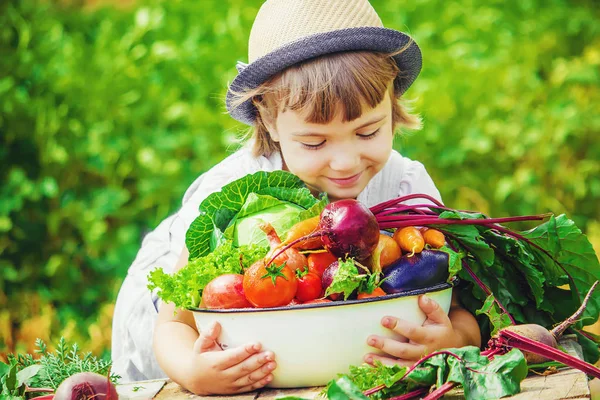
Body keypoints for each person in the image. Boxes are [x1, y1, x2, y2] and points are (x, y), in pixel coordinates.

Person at [111, 0, 482, 395]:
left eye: (368, 132)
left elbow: (460, 311)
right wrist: (192, 370)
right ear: (269, 120)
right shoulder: (236, 193)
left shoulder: (407, 188)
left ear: (391, 106)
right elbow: (172, 325)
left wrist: (455, 340)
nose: (345, 162)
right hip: (194, 352)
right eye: (315, 141)